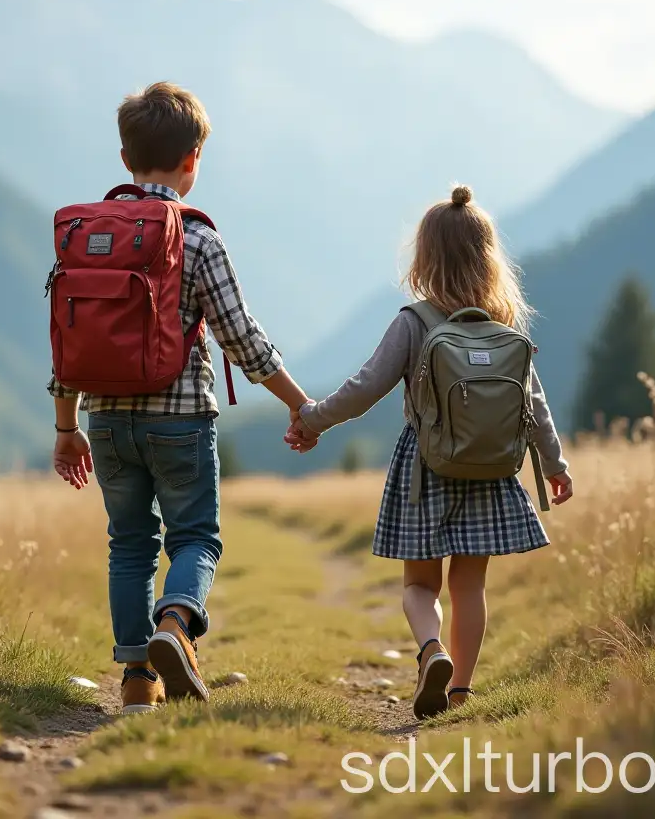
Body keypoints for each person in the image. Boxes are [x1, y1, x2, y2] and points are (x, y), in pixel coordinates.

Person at [50, 82, 310, 714]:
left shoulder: (85, 233)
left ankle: (138, 679)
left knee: (129, 543)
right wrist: (301, 404)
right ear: (194, 158)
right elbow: (243, 342)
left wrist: (66, 426)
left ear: (124, 156)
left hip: (105, 420)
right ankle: (175, 623)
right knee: (196, 537)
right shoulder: (199, 239)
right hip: (182, 421)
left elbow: (68, 341)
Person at [285, 184, 573, 720]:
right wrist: (555, 467)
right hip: (490, 472)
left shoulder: (414, 322)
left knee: (421, 584)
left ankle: (430, 650)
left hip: (425, 469)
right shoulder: (505, 327)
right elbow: (534, 404)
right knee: (470, 585)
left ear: (424, 256)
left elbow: (365, 387)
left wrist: (311, 419)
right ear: (489, 257)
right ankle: (460, 690)